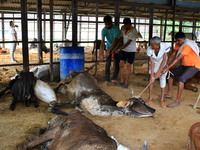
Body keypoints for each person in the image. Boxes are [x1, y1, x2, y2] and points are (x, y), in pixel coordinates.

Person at [162, 32, 200, 108]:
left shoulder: (187, 45)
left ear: (183, 39)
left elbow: (177, 58)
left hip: (194, 66)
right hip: (186, 65)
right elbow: (173, 54)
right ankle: (169, 94)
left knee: (181, 80)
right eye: (176, 41)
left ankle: (177, 101)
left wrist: (167, 68)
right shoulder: (179, 44)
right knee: (170, 74)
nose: (177, 42)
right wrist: (166, 65)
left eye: (179, 40)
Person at [112, 18, 138, 88]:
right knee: (121, 64)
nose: (125, 26)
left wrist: (119, 49)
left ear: (130, 24)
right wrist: (116, 48)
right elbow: (121, 39)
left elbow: (129, 42)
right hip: (124, 50)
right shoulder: (122, 28)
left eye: (127, 25)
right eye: (125, 25)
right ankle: (122, 81)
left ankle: (126, 82)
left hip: (131, 51)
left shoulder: (134, 30)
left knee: (128, 66)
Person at [145, 36, 170, 107]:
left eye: (153, 45)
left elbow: (164, 59)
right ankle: (150, 98)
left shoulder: (165, 46)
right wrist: (152, 75)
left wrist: (159, 73)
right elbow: (152, 62)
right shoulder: (149, 49)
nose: (151, 46)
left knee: (162, 78)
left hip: (163, 63)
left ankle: (162, 99)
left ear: (158, 44)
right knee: (151, 80)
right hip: (154, 63)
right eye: (151, 45)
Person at [99, 15, 120, 86]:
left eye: (108, 24)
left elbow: (115, 40)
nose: (107, 26)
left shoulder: (116, 29)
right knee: (108, 64)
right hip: (108, 47)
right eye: (106, 24)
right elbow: (102, 42)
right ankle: (106, 79)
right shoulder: (104, 30)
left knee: (117, 63)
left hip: (116, 48)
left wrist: (109, 51)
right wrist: (101, 53)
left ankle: (114, 78)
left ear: (111, 22)